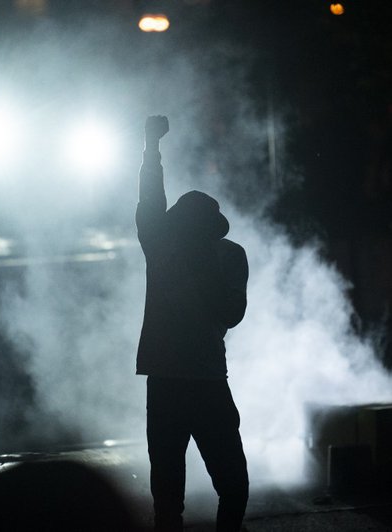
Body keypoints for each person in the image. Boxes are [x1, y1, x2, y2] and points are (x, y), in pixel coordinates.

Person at [135, 115, 250, 532]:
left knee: (212, 490)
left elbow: (232, 314)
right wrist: (150, 147)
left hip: (185, 381)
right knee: (176, 497)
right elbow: (151, 198)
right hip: (191, 380)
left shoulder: (212, 255)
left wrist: (151, 145)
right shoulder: (174, 250)